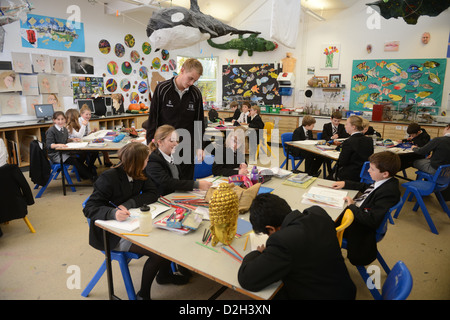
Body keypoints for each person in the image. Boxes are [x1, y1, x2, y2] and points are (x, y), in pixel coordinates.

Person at [83, 143, 188, 300]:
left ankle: (164, 275)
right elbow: (89, 207)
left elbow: (152, 193)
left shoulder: (139, 171)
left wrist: (128, 204)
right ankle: (143, 295)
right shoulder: (108, 178)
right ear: (136, 161)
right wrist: (112, 213)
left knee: (168, 237)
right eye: (146, 160)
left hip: (131, 222)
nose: (148, 162)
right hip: (111, 233)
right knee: (157, 253)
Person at [238, 193, 356, 300]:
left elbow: (247, 279)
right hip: (345, 290)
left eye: (267, 233)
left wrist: (258, 253)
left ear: (271, 229)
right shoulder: (318, 213)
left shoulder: (282, 242)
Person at [332, 151, 401, 266]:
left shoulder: (389, 192)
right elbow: (368, 188)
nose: (368, 171)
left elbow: (372, 221)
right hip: (359, 213)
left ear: (385, 174)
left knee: (321, 220)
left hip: (359, 228)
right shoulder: (386, 182)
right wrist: (345, 183)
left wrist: (352, 206)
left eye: (372, 169)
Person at [145, 58, 205, 180]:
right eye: (190, 78)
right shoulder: (162, 89)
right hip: (165, 146)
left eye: (195, 80)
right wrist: (150, 144)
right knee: (166, 183)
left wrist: (200, 147)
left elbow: (199, 122)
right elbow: (153, 120)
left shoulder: (196, 93)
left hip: (187, 146)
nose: (192, 83)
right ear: (182, 70)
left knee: (186, 183)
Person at [146, 125, 212, 196]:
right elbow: (167, 182)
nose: (176, 144)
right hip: (161, 199)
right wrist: (196, 185)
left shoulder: (173, 155)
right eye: (171, 141)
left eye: (177, 140)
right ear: (160, 142)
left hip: (175, 195)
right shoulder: (152, 160)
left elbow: (179, 179)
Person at [45, 111, 94, 181]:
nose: (60, 121)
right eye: (58, 119)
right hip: (55, 154)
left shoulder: (64, 129)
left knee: (81, 155)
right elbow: (49, 145)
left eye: (62, 119)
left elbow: (65, 140)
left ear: (65, 119)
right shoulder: (51, 130)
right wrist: (59, 145)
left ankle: (85, 174)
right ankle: (91, 176)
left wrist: (72, 139)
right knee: (74, 160)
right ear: (54, 120)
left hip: (64, 152)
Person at [333, 115, 374, 182]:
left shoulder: (348, 142)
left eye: (346, 124)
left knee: (331, 174)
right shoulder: (369, 140)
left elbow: (342, 162)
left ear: (353, 127)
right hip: (365, 173)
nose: (345, 126)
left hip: (350, 175)